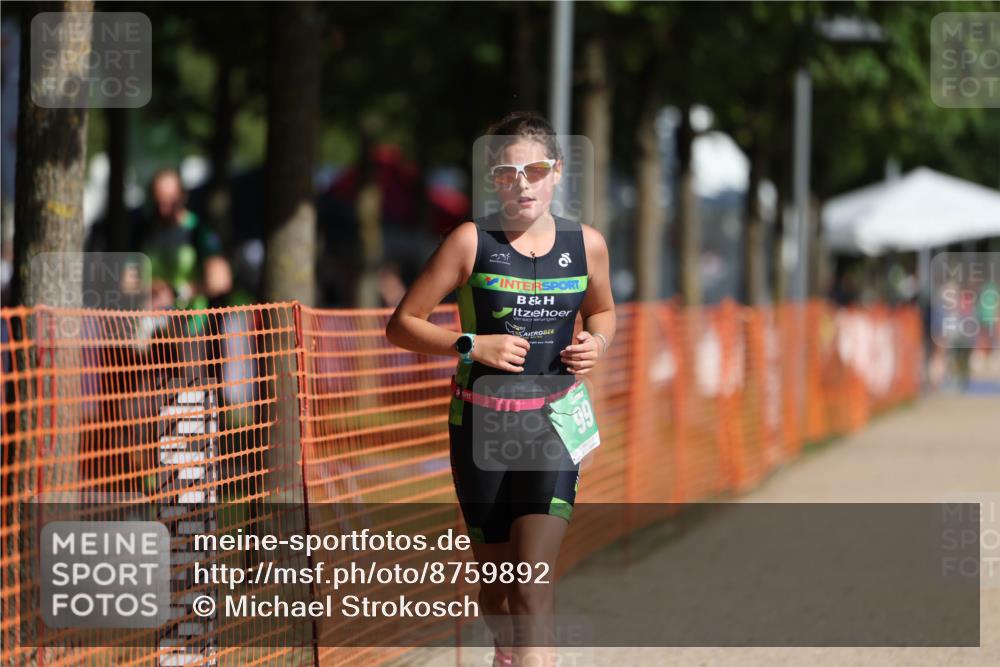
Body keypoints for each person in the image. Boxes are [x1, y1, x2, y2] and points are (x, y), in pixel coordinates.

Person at [386, 111, 615, 667]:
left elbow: (603, 310)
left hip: (553, 427)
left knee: (533, 588)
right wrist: (471, 345)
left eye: (534, 170)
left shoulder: (586, 245)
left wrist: (598, 343)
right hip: (480, 428)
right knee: (499, 596)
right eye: (508, 174)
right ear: (494, 179)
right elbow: (401, 324)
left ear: (557, 172)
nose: (523, 184)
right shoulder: (470, 241)